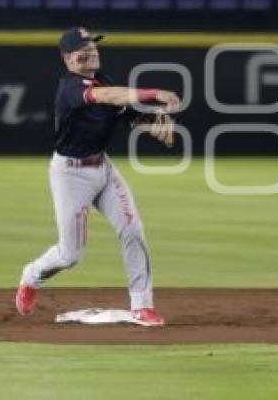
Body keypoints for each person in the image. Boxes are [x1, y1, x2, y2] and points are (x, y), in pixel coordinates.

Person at [15, 27, 181, 327]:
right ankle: (31, 275)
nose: (91, 50)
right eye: (83, 47)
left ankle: (142, 305)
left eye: (93, 44)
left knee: (133, 229)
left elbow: (123, 111)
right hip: (70, 175)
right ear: (68, 58)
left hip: (102, 168)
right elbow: (109, 96)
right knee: (70, 255)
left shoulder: (100, 78)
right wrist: (155, 95)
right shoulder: (71, 88)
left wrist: (152, 119)